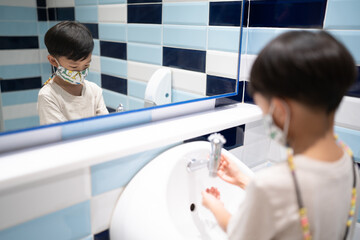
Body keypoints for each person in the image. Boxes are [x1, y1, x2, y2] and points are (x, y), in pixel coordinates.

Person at [202, 31, 360, 240]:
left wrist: (214, 206)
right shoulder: (347, 163)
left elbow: (239, 233)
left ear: (280, 110)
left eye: (263, 108)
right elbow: (295, 204)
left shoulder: (272, 185)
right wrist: (242, 180)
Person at [38, 21, 108, 125]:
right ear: (53, 61)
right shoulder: (48, 96)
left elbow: (106, 125)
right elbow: (58, 135)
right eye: (74, 67)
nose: (80, 72)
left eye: (86, 65)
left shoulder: (94, 90)